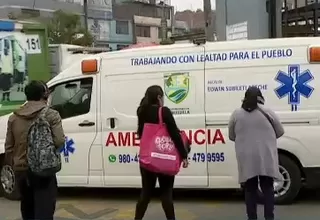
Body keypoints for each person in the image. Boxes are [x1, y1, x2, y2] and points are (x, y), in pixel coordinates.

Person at [4, 80, 65, 220]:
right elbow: (60, 141)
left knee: (27, 208)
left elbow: (8, 147)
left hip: (21, 170)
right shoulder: (51, 115)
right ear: (45, 94)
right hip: (44, 169)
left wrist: (17, 164)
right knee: (45, 210)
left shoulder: (14, 117)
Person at [228, 86, 284, 220]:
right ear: (260, 97)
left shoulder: (236, 114)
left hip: (247, 158)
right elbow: (280, 131)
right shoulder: (268, 112)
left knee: (250, 190)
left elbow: (231, 136)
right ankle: (269, 217)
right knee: (268, 189)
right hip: (266, 157)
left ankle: (252, 217)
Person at [134, 85, 189, 220]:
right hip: (164, 158)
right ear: (159, 97)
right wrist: (184, 155)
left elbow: (141, 133)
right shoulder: (164, 112)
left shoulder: (142, 111)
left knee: (146, 194)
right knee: (166, 194)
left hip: (147, 159)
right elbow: (175, 135)